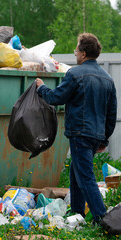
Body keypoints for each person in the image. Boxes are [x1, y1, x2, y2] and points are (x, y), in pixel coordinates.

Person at [36, 33, 117, 224]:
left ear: (83, 53)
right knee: (76, 171)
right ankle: (77, 213)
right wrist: (104, 139)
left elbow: (56, 98)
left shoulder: (74, 74)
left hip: (80, 133)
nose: (75, 54)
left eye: (76, 50)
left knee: (86, 177)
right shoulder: (108, 79)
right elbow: (111, 114)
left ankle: (102, 219)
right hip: (96, 135)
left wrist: (41, 88)